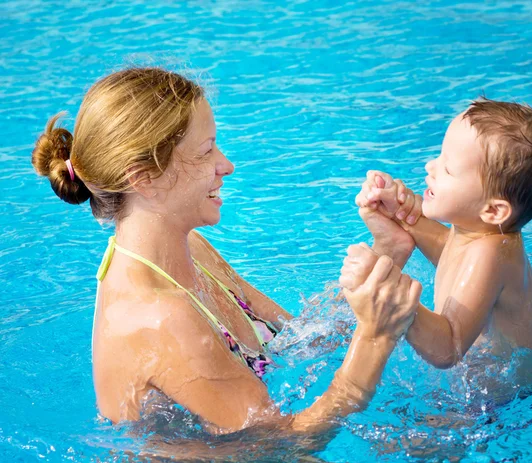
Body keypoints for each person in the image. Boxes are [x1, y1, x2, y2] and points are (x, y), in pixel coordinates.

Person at [31, 67, 422, 435]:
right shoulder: (161, 318)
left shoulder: (188, 249)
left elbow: (301, 340)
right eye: (206, 152)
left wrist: (386, 254)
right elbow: (282, 443)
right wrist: (374, 339)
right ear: (144, 179)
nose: (227, 165)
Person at [342, 98, 532, 368]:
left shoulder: (491, 252)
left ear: (493, 211)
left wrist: (395, 300)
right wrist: (402, 215)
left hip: (502, 404)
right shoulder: (478, 231)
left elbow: (448, 347)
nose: (431, 166)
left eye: (448, 169)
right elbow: (449, 251)